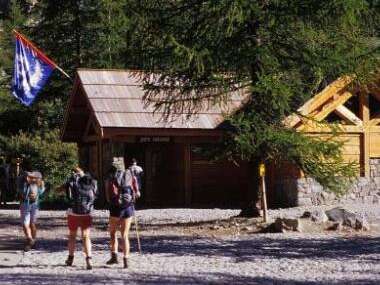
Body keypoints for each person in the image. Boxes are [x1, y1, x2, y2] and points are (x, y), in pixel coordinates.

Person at [105, 159, 139, 269]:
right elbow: (137, 192)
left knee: (113, 233)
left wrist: (110, 202)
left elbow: (107, 194)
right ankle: (126, 260)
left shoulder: (111, 175)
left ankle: (114, 257)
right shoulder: (130, 174)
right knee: (125, 235)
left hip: (115, 208)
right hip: (128, 207)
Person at [64, 167, 97, 270]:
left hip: (73, 213)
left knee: (72, 236)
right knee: (86, 236)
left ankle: (70, 258)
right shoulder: (92, 182)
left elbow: (67, 195)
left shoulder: (73, 182)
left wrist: (72, 178)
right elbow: (96, 195)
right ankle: (89, 259)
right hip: (87, 213)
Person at [18, 171, 45, 251]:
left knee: (31, 224)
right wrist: (28, 175)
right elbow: (22, 176)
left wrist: (36, 193)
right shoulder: (23, 183)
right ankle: (30, 239)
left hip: (33, 205)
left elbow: (41, 191)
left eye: (34, 178)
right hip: (26, 204)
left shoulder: (38, 183)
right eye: (31, 177)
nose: (32, 179)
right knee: (26, 224)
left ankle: (32, 240)